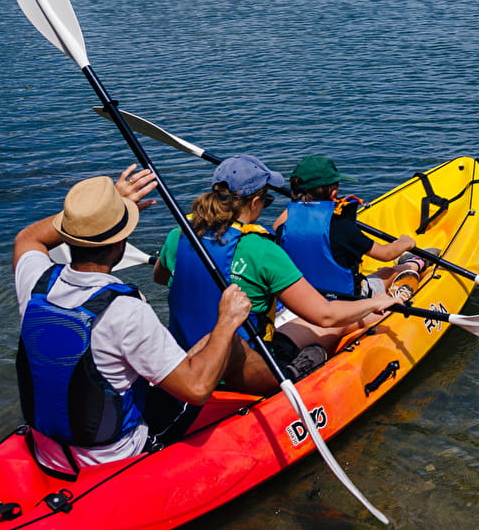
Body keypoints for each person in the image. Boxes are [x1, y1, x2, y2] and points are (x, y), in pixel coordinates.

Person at [14, 165, 252, 476]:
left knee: (203, 346)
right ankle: (289, 384)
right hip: (115, 454)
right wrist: (227, 319)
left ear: (68, 237)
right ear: (120, 245)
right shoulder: (126, 309)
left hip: (49, 451)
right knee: (223, 342)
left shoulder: (35, 281)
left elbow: (28, 237)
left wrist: (93, 213)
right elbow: (196, 390)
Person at [152, 154, 397, 396]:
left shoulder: (180, 234)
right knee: (334, 326)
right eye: (267, 200)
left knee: (298, 325)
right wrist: (374, 302)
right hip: (245, 369)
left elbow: (161, 278)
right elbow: (326, 316)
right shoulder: (261, 249)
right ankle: (294, 370)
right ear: (255, 201)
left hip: (185, 358)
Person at [273, 155, 428, 300]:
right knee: (387, 272)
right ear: (334, 192)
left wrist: (301, 201)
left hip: (301, 297)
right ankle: (415, 263)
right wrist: (406, 242)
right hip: (345, 298)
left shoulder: (284, 227)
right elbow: (386, 254)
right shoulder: (341, 227)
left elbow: (280, 221)